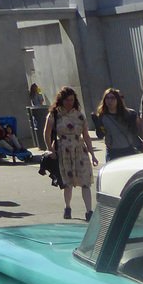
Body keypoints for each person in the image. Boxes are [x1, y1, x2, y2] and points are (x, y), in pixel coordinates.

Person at [43, 85, 96, 220]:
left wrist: (92, 154)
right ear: (61, 100)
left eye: (71, 100)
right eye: (66, 100)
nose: (69, 102)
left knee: (85, 181)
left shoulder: (79, 115)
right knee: (68, 182)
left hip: (80, 149)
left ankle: (89, 211)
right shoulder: (55, 114)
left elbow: (86, 136)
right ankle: (67, 207)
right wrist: (50, 149)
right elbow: (46, 133)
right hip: (63, 149)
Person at [95, 88, 143, 161]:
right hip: (112, 152)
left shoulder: (129, 114)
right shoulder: (102, 116)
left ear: (118, 100)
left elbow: (137, 131)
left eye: (112, 98)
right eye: (107, 98)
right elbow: (100, 135)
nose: (109, 101)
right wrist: (97, 124)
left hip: (128, 150)